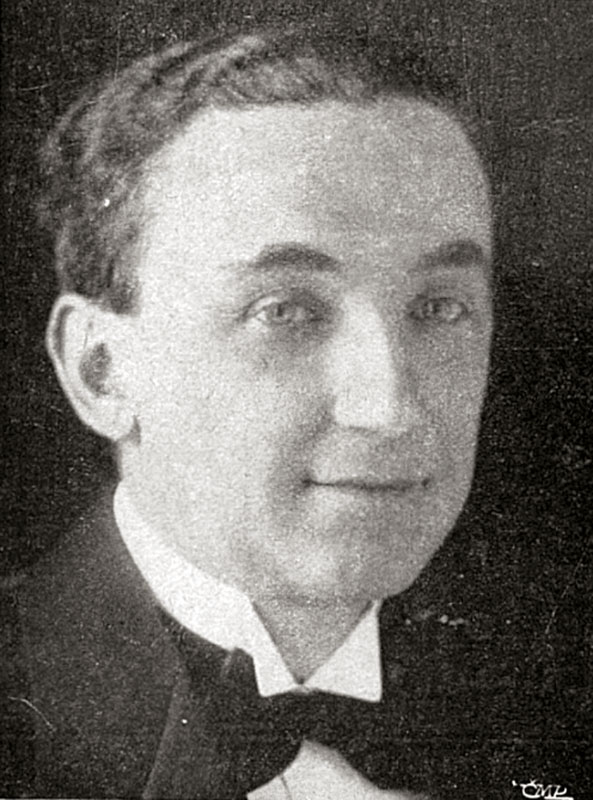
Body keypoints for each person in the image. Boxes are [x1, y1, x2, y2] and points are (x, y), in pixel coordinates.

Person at [1, 26, 586, 800]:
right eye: (284, 311)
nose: (386, 408)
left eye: (439, 307)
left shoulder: (556, 696)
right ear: (101, 371)